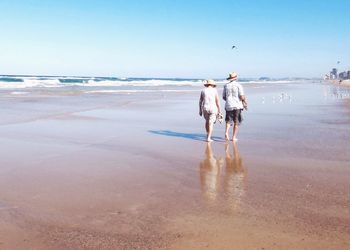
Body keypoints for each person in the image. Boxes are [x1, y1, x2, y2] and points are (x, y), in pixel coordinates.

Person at [222, 72, 247, 141]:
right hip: (237, 105)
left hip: (228, 105)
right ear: (236, 78)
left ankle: (226, 132)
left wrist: (229, 100)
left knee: (228, 120)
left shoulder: (226, 86)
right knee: (236, 121)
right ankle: (233, 137)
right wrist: (244, 100)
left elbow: (224, 97)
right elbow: (242, 96)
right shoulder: (239, 85)